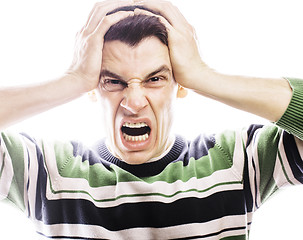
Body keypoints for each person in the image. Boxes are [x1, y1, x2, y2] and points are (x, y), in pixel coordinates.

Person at [0, 0, 302, 239]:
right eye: (113, 81)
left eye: (155, 78)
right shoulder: (47, 171)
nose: (133, 103)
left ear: (180, 84)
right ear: (93, 88)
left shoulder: (237, 160)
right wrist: (74, 79)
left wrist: (203, 75)